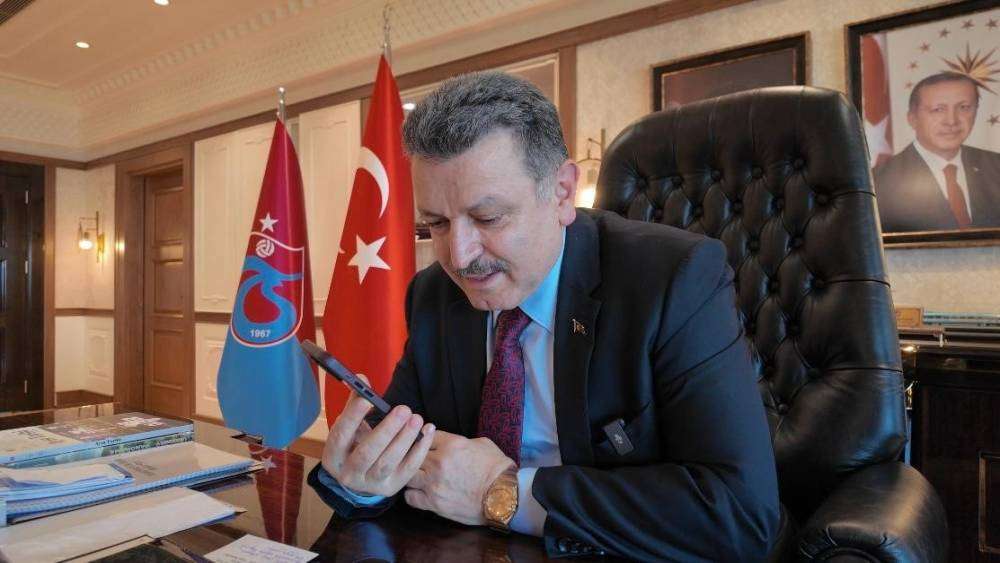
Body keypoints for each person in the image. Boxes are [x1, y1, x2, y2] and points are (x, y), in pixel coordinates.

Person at [308, 71, 779, 560]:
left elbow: (739, 513)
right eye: (437, 223)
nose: (460, 257)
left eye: (488, 218)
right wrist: (362, 479)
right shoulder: (434, 295)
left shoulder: (673, 280)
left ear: (561, 192)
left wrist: (502, 492)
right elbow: (410, 459)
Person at [875, 71, 1000, 232]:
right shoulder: (878, 184)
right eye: (938, 109)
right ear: (912, 118)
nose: (951, 121)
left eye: (964, 107)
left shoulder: (996, 167)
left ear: (975, 113)